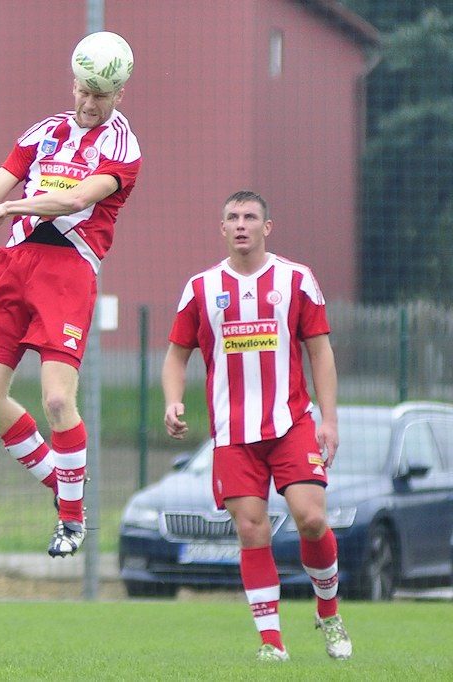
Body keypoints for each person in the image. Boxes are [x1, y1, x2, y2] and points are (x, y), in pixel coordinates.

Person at [0, 32, 142, 557]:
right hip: (12, 265)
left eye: (101, 95)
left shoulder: (124, 147)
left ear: (119, 95)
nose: (89, 102)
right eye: (83, 89)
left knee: (57, 398)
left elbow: (75, 198)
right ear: (73, 81)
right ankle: (63, 482)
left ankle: (72, 521)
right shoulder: (45, 131)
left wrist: (15, 209)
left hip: (67, 271)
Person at [161, 191, 352, 662]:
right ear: (221, 228)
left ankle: (329, 613)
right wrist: (173, 401)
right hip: (233, 433)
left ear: (268, 227)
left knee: (311, 518)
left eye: (250, 217)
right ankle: (271, 642)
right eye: (233, 217)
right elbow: (175, 355)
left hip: (291, 423)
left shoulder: (296, 279)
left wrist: (328, 419)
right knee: (252, 530)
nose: (241, 224)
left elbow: (320, 350)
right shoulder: (201, 288)